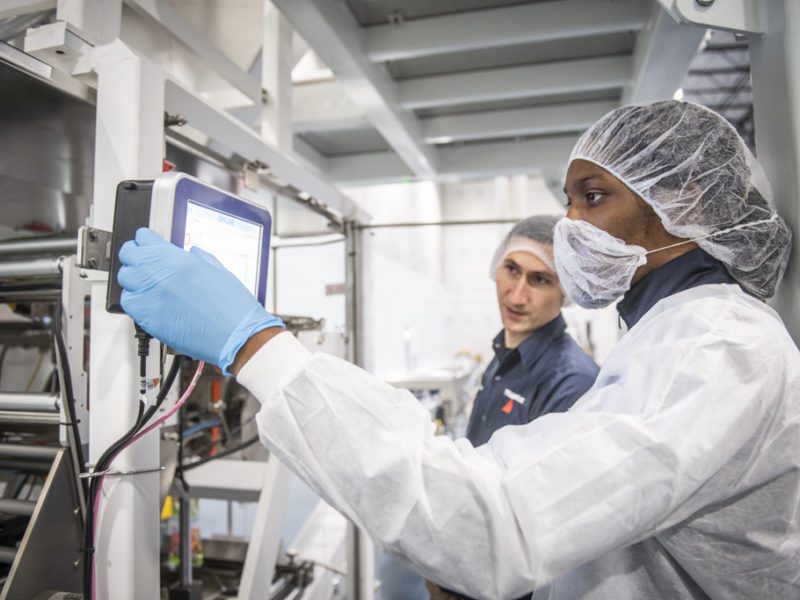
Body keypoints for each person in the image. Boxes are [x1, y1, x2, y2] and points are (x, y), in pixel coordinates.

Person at [118, 100, 799, 599]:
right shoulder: (670, 333)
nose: (570, 227)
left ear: (688, 204)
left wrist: (254, 345)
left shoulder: (713, 344)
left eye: (594, 197)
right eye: (569, 202)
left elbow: (498, 518)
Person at [431, 216, 598, 600]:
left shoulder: (571, 382)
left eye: (540, 280)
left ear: (566, 292)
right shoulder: (503, 357)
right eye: (511, 270)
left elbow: (542, 524)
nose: (516, 295)